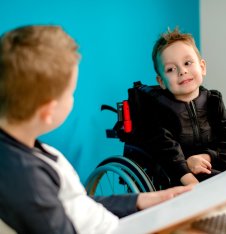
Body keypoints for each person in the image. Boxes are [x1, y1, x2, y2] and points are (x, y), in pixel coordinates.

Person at [0, 25, 191, 234]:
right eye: (70, 93)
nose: (72, 99)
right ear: (48, 112)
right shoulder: (27, 180)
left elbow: (76, 205)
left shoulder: (23, 148)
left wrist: (141, 200)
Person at [138, 27, 226, 186]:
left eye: (187, 63)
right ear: (161, 82)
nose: (182, 71)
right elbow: (166, 151)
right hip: (178, 175)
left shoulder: (213, 101)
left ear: (202, 67)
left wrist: (207, 158)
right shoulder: (160, 111)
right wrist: (189, 175)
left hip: (215, 163)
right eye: (171, 69)